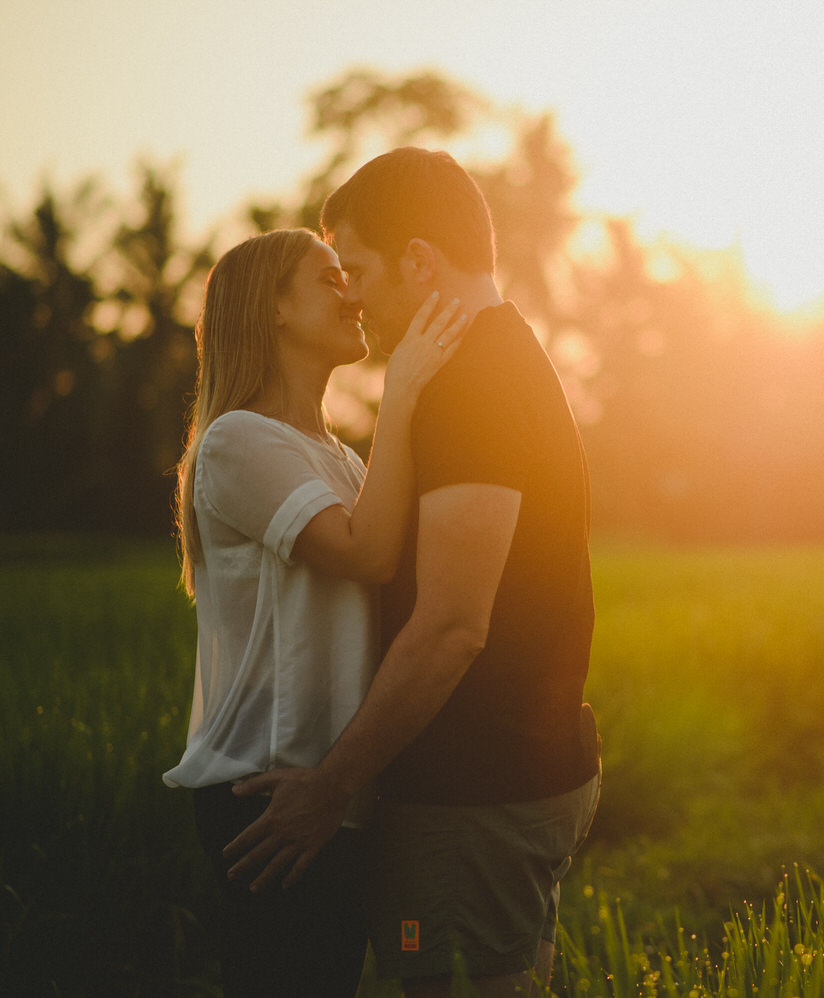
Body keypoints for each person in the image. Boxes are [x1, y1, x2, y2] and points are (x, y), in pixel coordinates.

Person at [223, 148, 602, 997]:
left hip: (476, 789)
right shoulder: (490, 359)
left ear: (421, 262)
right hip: (501, 776)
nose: (351, 292)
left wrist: (330, 789)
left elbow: (451, 625)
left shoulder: (473, 381)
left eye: (355, 268)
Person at [163, 227, 470, 996]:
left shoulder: (341, 458)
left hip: (330, 788)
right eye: (329, 278)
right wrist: (401, 393)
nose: (352, 294)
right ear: (273, 310)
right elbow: (367, 554)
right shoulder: (239, 441)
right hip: (266, 791)